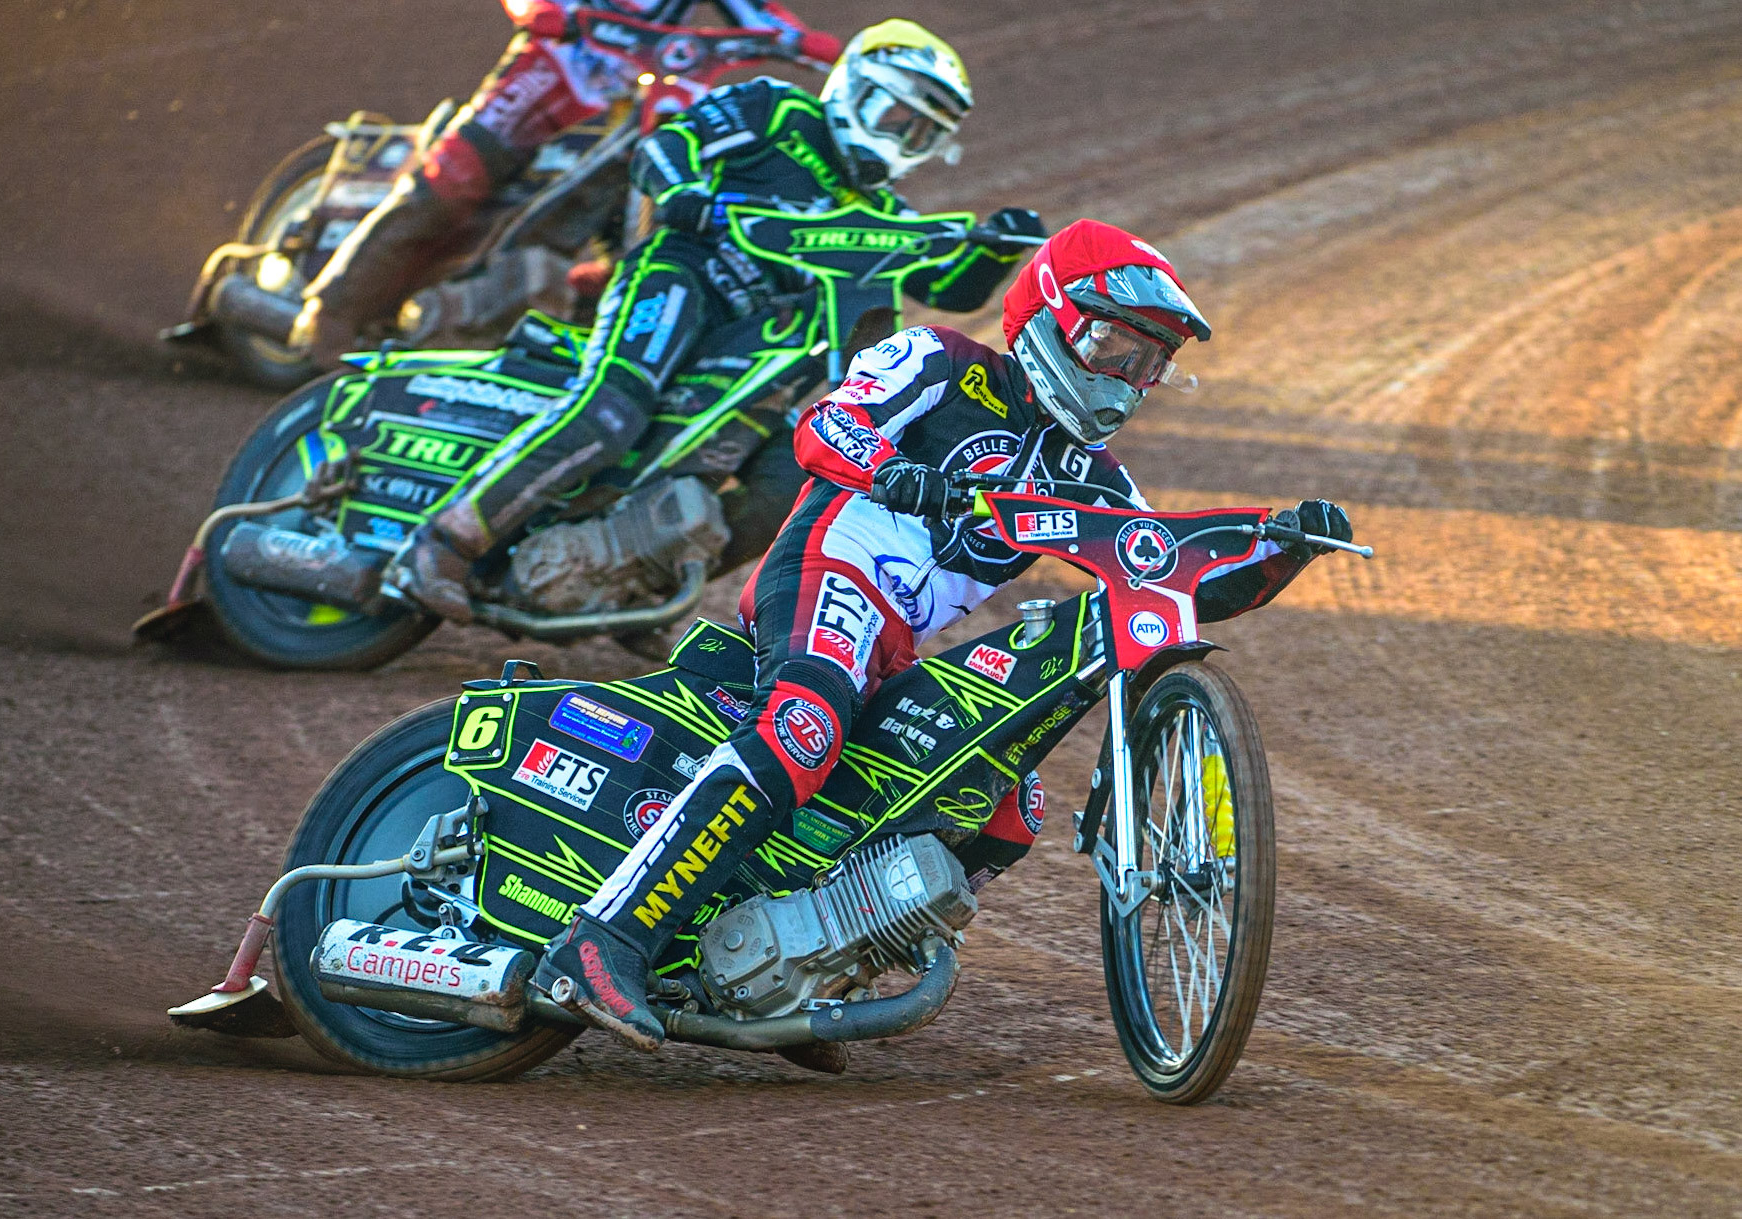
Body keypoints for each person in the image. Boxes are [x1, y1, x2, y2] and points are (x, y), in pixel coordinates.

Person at [528, 217, 1355, 1051]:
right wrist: (890, 469)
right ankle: (605, 939)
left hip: (895, 643)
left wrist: (1283, 550)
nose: (1126, 381)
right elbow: (825, 426)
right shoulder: (942, 361)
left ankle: (805, 971)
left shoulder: (1095, 477)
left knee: (1003, 805)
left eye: (1149, 364)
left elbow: (1168, 576)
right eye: (1113, 347)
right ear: (1047, 317)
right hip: (829, 570)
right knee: (802, 725)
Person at [381, 19, 1046, 623]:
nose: (903, 139)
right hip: (682, 275)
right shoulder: (777, 109)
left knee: (792, 478)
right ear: (854, 88)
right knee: (612, 411)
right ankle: (442, 542)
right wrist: (683, 194)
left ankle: (639, 587)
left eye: (923, 132)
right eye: (896, 114)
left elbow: (946, 286)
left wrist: (993, 252)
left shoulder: (884, 219)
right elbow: (669, 145)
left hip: (750, 347)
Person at [290, 0, 842, 368]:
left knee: (651, 194)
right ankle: (331, 312)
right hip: (556, 66)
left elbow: (762, 17)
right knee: (454, 182)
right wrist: (547, 10)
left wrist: (818, 46)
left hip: (636, 95)